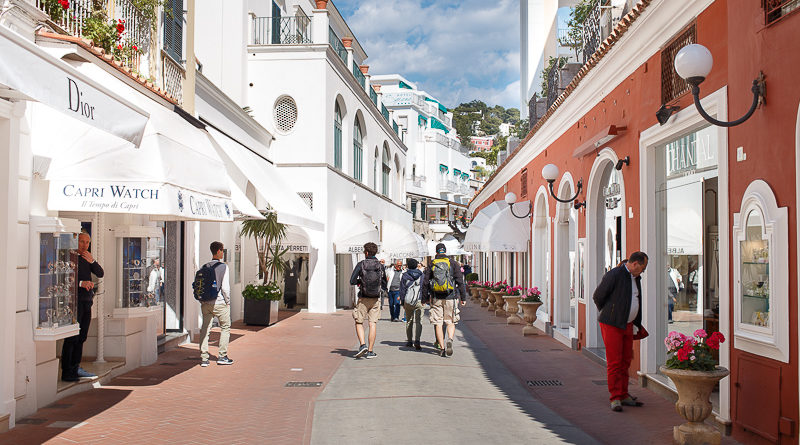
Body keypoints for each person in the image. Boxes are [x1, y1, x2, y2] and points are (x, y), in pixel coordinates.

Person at [593, 251, 648, 412]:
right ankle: (615, 397)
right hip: (612, 324)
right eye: (642, 268)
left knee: (625, 360)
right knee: (615, 362)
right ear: (635, 264)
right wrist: (612, 311)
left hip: (628, 324)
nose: (643, 272)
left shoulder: (635, 277)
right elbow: (598, 296)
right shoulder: (615, 274)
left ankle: (623, 393)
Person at [61, 232, 105, 382]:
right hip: (74, 303)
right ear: (75, 242)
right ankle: (67, 371)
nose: (84, 245)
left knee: (82, 337)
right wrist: (81, 283)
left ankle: (76, 368)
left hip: (87, 301)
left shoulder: (87, 257)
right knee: (72, 337)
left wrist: (92, 261)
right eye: (81, 242)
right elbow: (64, 278)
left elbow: (100, 273)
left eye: (87, 242)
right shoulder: (70, 256)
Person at [421, 243, 467, 358]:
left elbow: (425, 283)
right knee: (450, 321)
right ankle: (450, 339)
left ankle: (441, 348)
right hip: (451, 297)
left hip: (436, 297)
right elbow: (460, 281)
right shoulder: (453, 264)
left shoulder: (432, 264)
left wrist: (424, 298)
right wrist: (463, 297)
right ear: (445, 251)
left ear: (436, 252)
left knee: (438, 323)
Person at [349, 242, 387, 359]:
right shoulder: (380, 266)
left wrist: (361, 282)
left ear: (366, 252)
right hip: (375, 298)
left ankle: (362, 344)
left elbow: (352, 281)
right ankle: (370, 351)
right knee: (372, 324)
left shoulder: (361, 264)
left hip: (363, 297)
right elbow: (384, 283)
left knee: (359, 322)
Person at [199, 241, 233, 367]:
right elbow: (225, 288)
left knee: (205, 329)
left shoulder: (205, 266)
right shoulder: (223, 267)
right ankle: (222, 356)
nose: (223, 253)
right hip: (219, 303)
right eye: (222, 250)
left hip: (206, 303)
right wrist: (228, 302)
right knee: (225, 327)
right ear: (218, 251)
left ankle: (204, 358)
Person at [399, 258, 424, 350]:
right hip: (419, 300)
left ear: (408, 266)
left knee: (409, 320)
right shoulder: (422, 275)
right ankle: (417, 340)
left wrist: (402, 302)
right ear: (417, 265)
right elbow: (424, 288)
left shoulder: (405, 275)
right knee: (419, 321)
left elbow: (402, 290)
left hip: (408, 301)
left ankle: (409, 341)